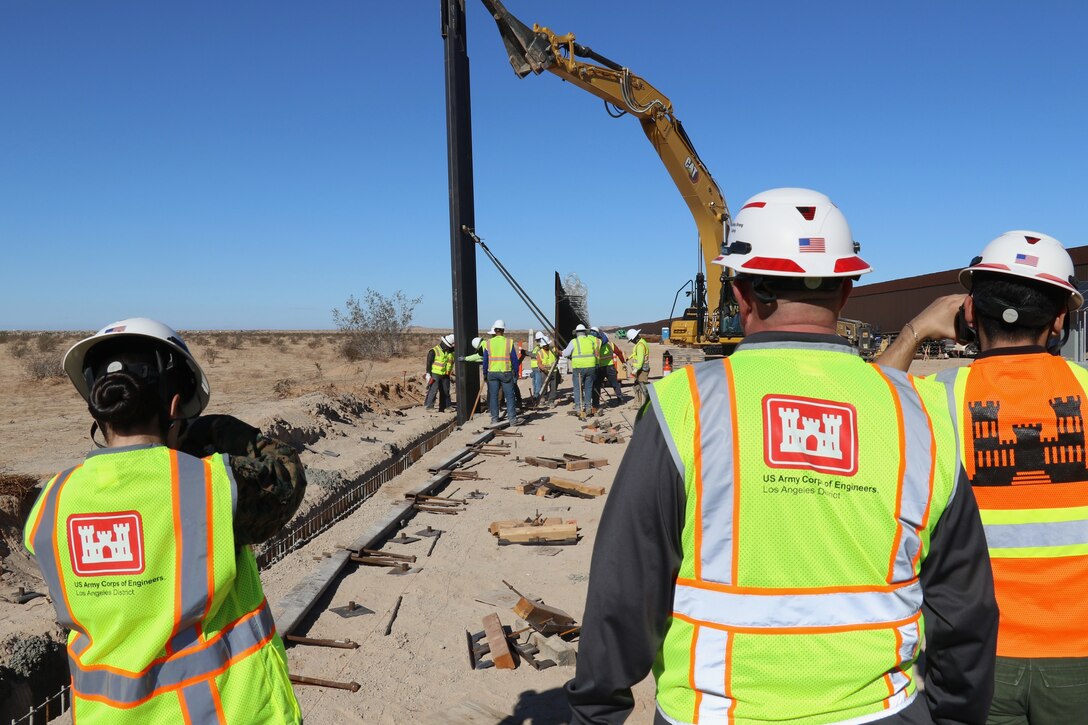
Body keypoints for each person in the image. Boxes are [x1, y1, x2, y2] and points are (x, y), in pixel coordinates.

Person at [566, 188, 998, 724]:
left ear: (742, 291)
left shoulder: (687, 406)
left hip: (714, 712)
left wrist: (593, 712)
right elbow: (965, 608)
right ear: (846, 289)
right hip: (882, 712)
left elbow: (624, 589)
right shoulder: (922, 415)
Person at [23, 318, 304, 723]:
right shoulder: (213, 488)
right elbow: (285, 475)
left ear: (98, 409)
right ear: (175, 406)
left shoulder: (51, 503)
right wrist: (223, 431)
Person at [878, 231, 1088, 724]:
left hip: (972, 656)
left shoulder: (936, 399)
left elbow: (865, 408)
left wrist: (916, 330)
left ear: (970, 314)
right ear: (1061, 318)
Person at [562, 324, 600, 420]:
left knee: (578, 388)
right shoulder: (591, 341)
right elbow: (596, 353)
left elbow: (566, 353)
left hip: (578, 367)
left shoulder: (574, 341)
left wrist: (562, 352)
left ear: (577, 333)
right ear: (585, 332)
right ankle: (588, 408)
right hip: (591, 367)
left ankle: (579, 408)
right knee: (588, 388)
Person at [485, 319, 519, 426]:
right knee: (509, 396)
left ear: (495, 330)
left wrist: (484, 374)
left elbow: (485, 360)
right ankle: (512, 420)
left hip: (492, 373)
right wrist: (516, 371)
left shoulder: (488, 343)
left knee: (494, 396)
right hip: (505, 372)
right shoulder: (509, 342)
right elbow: (514, 359)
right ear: (503, 330)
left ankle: (494, 419)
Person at [590, 327, 623, 408]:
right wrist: (623, 362)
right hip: (610, 367)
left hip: (599, 368)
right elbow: (619, 353)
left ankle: (595, 403)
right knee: (615, 383)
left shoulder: (595, 344)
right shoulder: (611, 344)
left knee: (597, 385)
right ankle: (620, 399)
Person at [424, 333, 455, 412]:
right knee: (433, 390)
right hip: (435, 374)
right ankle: (429, 406)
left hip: (445, 374)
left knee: (445, 390)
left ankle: (446, 406)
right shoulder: (433, 351)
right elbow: (429, 363)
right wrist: (428, 373)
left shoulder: (450, 351)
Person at [625, 328, 650, 407]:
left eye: (631, 340)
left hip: (641, 369)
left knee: (643, 386)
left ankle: (648, 405)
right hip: (640, 368)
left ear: (634, 338)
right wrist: (628, 358)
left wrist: (635, 370)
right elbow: (635, 354)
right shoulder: (640, 342)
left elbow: (640, 360)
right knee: (636, 386)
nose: (631, 342)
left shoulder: (640, 345)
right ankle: (638, 403)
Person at [535, 336, 559, 407]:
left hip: (553, 371)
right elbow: (539, 363)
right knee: (544, 387)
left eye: (547, 345)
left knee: (553, 388)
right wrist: (543, 368)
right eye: (544, 345)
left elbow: (559, 354)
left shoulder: (553, 349)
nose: (546, 346)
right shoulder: (540, 352)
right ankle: (542, 399)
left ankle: (551, 401)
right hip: (544, 372)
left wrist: (558, 353)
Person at [530, 332, 546, 398]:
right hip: (534, 368)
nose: (537, 341)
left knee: (538, 383)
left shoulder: (541, 348)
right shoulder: (536, 347)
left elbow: (536, 355)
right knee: (535, 383)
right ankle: (535, 395)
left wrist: (527, 353)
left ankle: (537, 396)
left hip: (538, 367)